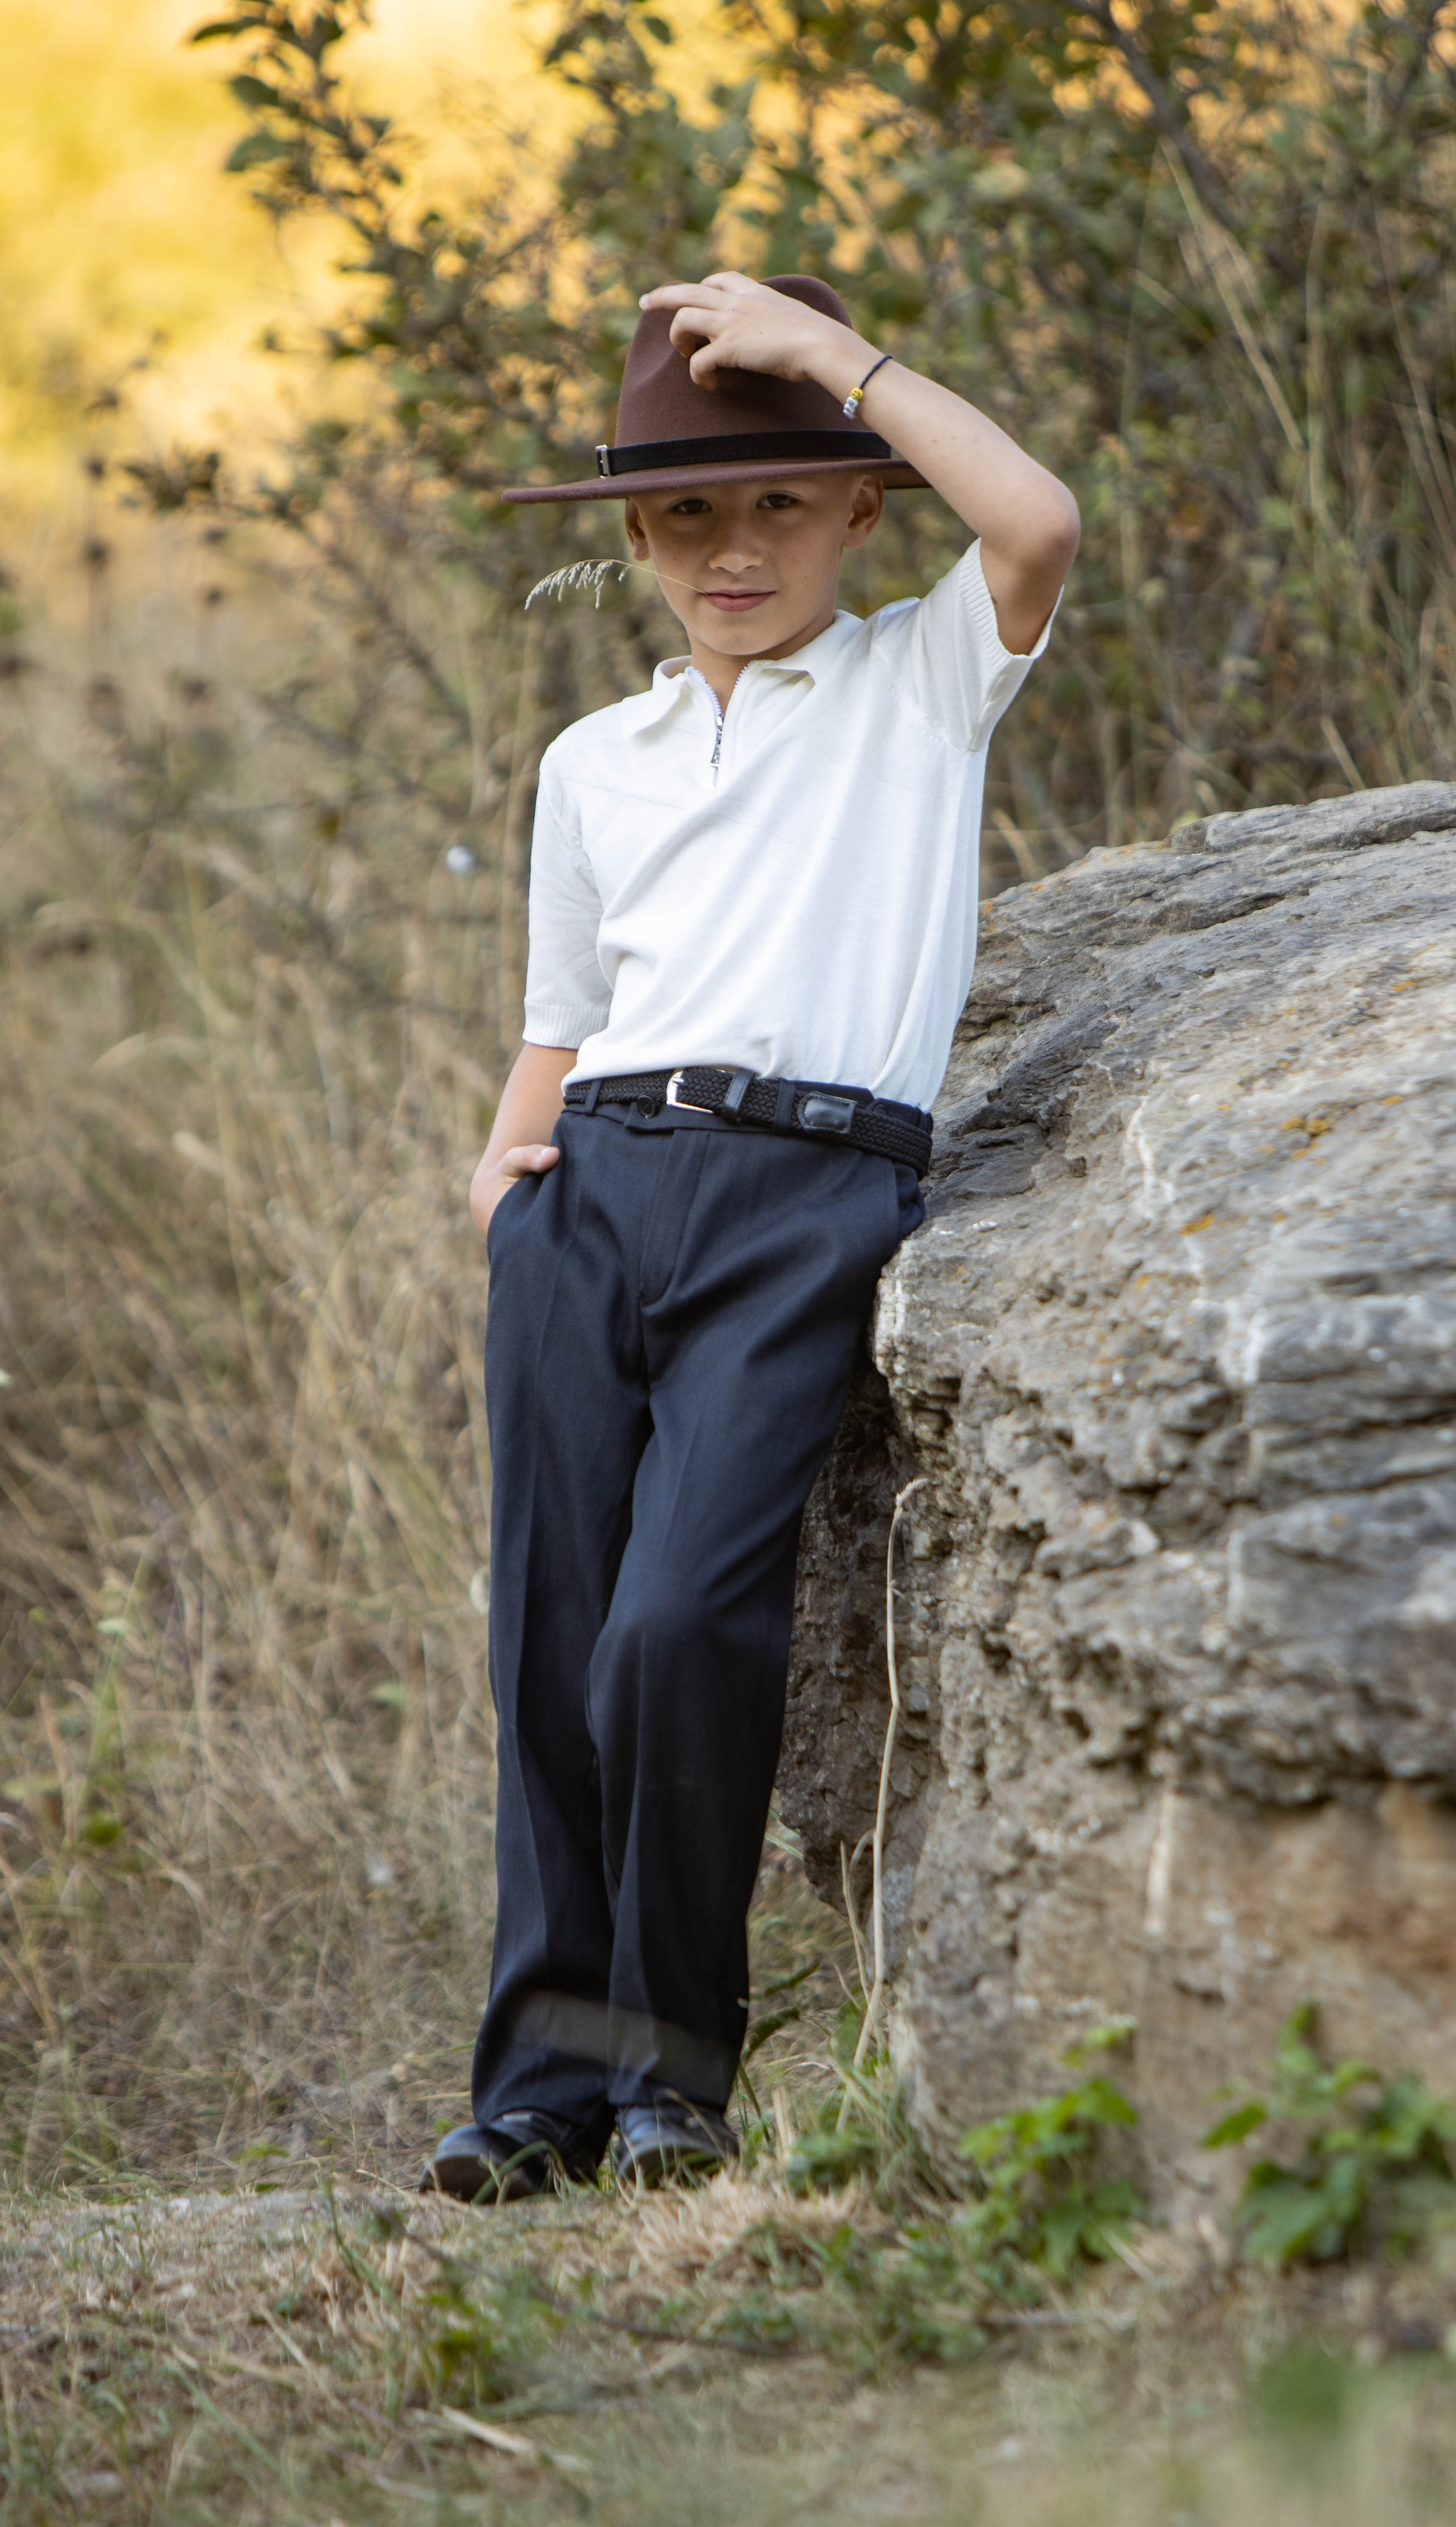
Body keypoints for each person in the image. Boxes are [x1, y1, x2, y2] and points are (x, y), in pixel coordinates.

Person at [422, 271, 1078, 2202]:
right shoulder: (592, 762)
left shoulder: (918, 682)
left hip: (809, 1195)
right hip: (587, 1192)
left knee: (675, 1627)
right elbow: (563, 1009)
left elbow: (1035, 520)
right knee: (548, 1647)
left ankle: (666, 2083)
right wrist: (502, 1179)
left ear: (862, 505)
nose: (733, 551)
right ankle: (535, 2093)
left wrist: (836, 363)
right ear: (634, 535)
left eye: (781, 501)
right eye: (689, 515)